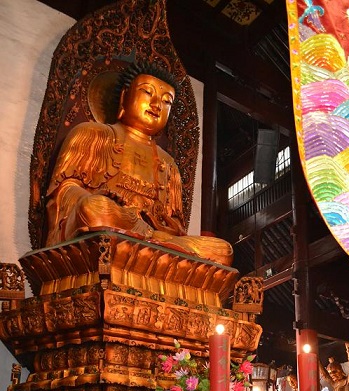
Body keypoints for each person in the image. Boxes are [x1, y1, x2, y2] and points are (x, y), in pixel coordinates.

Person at [45, 61, 233, 266]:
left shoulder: (169, 165)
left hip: (155, 242)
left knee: (222, 251)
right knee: (94, 208)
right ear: (125, 97)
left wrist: (160, 229)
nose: (157, 105)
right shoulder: (92, 133)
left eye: (167, 101)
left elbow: (177, 228)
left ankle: (149, 247)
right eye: (147, 92)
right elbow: (64, 191)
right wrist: (113, 209)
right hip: (108, 225)